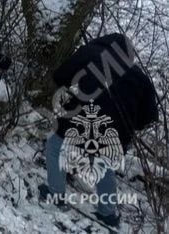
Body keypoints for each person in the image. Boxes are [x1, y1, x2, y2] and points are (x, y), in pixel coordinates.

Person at [39, 34, 159, 228]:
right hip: (115, 132)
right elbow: (148, 117)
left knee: (55, 146)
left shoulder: (89, 53)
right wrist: (126, 125)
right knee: (104, 165)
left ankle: (56, 194)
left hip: (78, 117)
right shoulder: (140, 78)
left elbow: (60, 75)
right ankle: (107, 213)